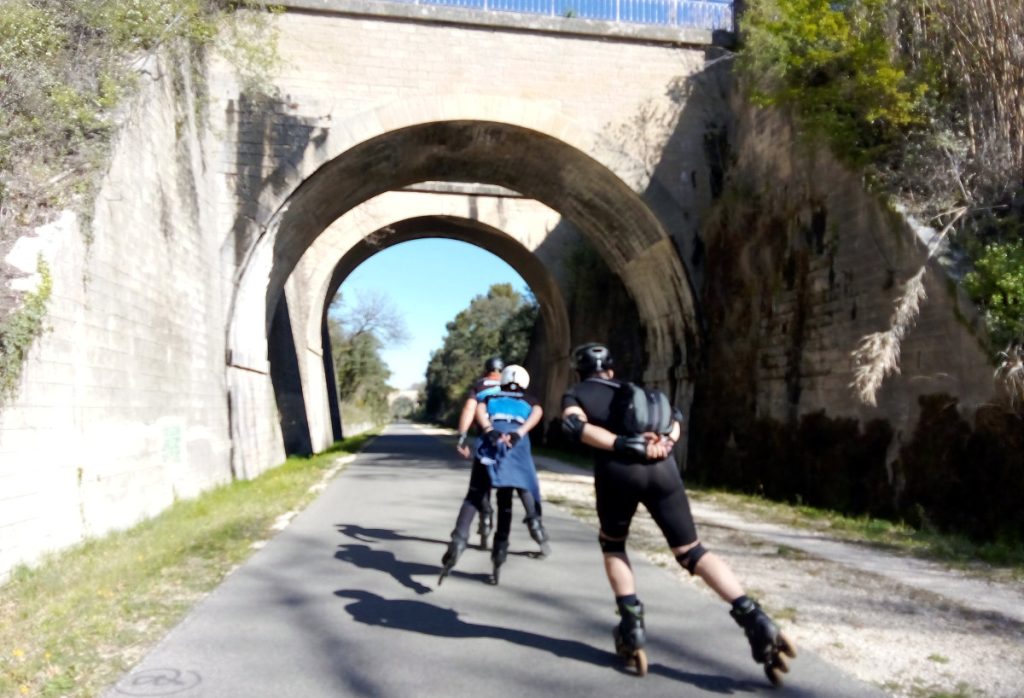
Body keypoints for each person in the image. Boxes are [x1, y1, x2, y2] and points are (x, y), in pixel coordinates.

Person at [560, 342, 796, 684]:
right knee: (692, 551)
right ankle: (754, 617)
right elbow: (675, 422)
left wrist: (622, 445)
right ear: (610, 370)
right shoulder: (634, 391)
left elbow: (575, 427)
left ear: (580, 371)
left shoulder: (576, 393)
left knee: (613, 545)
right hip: (662, 468)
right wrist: (663, 445)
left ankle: (632, 626)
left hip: (618, 473)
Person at [473, 364, 550, 584]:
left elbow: (480, 409)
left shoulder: (491, 398)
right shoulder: (529, 400)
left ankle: (498, 554)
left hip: (496, 443)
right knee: (525, 484)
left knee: (503, 499)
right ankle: (536, 526)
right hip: (518, 445)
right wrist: (518, 433)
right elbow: (538, 412)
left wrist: (490, 430)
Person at [452, 357, 504, 550]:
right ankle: (536, 529)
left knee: (479, 485)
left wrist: (462, 436)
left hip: (486, 441)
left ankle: (485, 516)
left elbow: (469, 409)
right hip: (509, 442)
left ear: (486, 370)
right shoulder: (509, 385)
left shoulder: (480, 386)